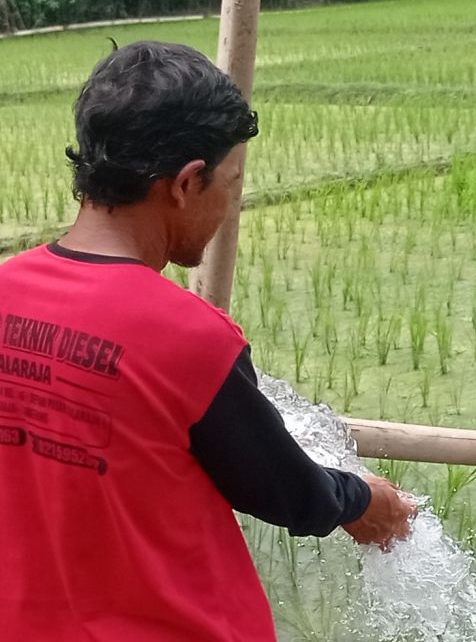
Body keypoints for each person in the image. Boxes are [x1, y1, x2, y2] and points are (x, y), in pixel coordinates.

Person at [0, 41, 417, 641]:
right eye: (232, 180)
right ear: (187, 182)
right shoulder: (187, 338)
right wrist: (362, 499)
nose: (231, 202)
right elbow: (288, 492)